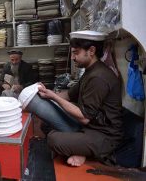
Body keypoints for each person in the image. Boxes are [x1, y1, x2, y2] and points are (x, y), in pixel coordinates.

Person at [25, 30, 123, 167]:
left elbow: (84, 116)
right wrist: (46, 93)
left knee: (54, 139)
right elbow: (68, 95)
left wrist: (53, 97)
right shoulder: (91, 71)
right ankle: (78, 147)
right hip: (89, 126)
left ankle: (84, 151)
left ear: (91, 51)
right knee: (45, 124)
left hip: (104, 135)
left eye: (76, 53)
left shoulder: (99, 77)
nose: (72, 57)